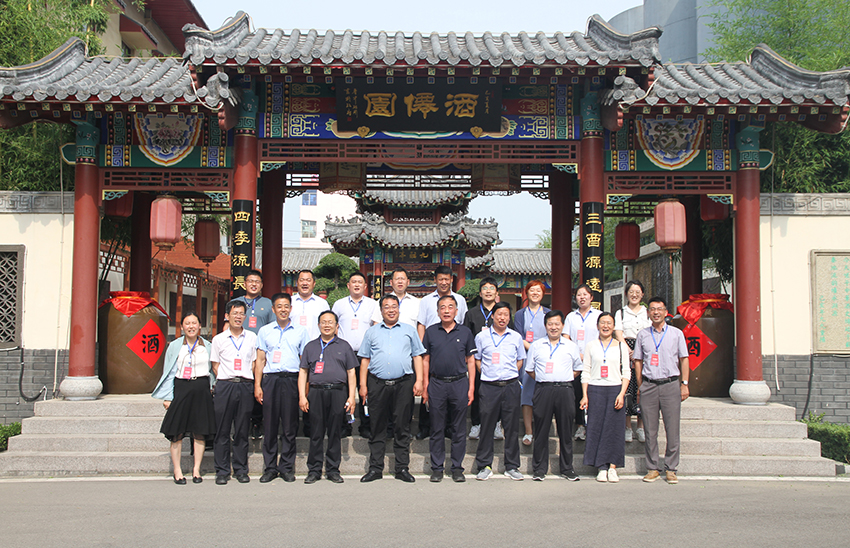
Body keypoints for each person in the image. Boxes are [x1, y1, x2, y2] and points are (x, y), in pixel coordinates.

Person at [358, 294, 426, 483]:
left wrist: (419, 380)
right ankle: (375, 468)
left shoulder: (409, 330)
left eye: (394, 306)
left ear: (399, 309)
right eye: (386, 306)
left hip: (403, 383)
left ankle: (402, 468)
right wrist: (363, 385)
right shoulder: (371, 332)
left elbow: (417, 356)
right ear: (381, 311)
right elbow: (365, 359)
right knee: (377, 426)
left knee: (402, 426)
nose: (390, 310)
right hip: (377, 383)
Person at [152, 312, 215, 484]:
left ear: (199, 326)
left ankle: (196, 470)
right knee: (176, 432)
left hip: (201, 389)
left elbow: (213, 370)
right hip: (181, 388)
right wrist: (168, 396)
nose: (191, 326)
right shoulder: (174, 346)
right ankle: (177, 470)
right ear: (182, 327)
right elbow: (169, 372)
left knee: (200, 432)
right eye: (187, 323)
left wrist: (213, 389)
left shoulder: (208, 346)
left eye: (194, 323)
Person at [633, 297, 690, 484]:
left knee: (672, 428)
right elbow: (638, 361)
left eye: (659, 309)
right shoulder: (643, 335)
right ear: (648, 313)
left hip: (670, 385)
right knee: (650, 430)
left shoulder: (676, 334)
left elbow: (684, 359)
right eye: (652, 309)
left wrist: (684, 383)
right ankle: (652, 468)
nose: (656, 312)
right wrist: (641, 385)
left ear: (666, 312)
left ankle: (671, 468)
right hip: (649, 385)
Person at [298, 310, 358, 484]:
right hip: (316, 392)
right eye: (323, 322)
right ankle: (314, 470)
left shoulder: (344, 346)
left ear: (337, 326)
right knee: (316, 432)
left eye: (330, 322)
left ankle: (333, 469)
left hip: (338, 392)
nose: (327, 325)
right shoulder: (310, 346)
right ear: (318, 325)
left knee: (335, 432)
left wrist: (351, 397)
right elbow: (303, 372)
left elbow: (351, 372)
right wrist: (302, 396)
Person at [422, 295, 476, 483]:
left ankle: (457, 468)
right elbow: (426, 360)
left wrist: (471, 387)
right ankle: (437, 468)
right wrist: (425, 385)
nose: (446, 311)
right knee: (436, 428)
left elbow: (471, 361)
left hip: (459, 383)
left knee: (458, 429)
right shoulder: (431, 332)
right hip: (437, 384)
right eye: (442, 307)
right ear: (437, 312)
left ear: (456, 311)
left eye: (450, 307)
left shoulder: (465, 332)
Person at [255, 293, 309, 484]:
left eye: (286, 306)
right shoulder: (264, 331)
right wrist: (258, 385)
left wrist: (304, 389)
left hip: (291, 380)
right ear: (273, 309)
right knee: (270, 426)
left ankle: (286, 467)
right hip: (271, 380)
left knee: (289, 426)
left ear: (291, 309)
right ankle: (270, 468)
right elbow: (260, 360)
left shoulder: (301, 331)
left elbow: (304, 363)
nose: (283, 310)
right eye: (279, 306)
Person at [525, 310, 582, 482]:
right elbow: (530, 370)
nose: (554, 327)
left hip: (565, 390)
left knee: (566, 431)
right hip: (543, 390)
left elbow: (578, 368)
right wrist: (545, 379)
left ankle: (567, 468)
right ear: (545, 326)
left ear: (562, 326)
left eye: (557, 324)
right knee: (541, 430)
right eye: (550, 324)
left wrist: (564, 377)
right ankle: (539, 469)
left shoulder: (571, 346)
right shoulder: (536, 345)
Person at [473, 301, 526, 481]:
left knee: (511, 428)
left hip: (511, 386)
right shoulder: (482, 336)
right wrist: (487, 373)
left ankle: (512, 466)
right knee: (487, 426)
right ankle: (484, 465)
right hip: (489, 387)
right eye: (499, 314)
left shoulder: (516, 337)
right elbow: (477, 359)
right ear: (493, 316)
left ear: (509, 317)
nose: (502, 318)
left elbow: (520, 360)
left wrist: (509, 375)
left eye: (506, 315)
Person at [416, 265, 468, 440]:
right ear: (435, 280)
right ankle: (425, 427)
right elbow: (421, 324)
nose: (444, 282)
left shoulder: (460, 300)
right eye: (440, 279)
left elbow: (463, 324)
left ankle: (449, 428)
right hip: (432, 346)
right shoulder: (426, 300)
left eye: (447, 279)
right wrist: (423, 349)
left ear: (452, 280)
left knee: (451, 392)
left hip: (453, 347)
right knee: (429, 387)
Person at [210, 300, 259, 485]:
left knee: (241, 429)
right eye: (235, 313)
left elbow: (254, 363)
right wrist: (227, 378)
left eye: (241, 314)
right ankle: (222, 471)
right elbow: (215, 365)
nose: (238, 317)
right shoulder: (219, 339)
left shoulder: (252, 337)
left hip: (245, 385)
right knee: (222, 430)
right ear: (227, 316)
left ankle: (240, 469)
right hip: (225, 386)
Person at [580, 312, 631, 483]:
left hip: (615, 389)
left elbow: (626, 372)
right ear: (597, 326)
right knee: (596, 428)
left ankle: (613, 467)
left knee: (614, 429)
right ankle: (601, 466)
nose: (606, 326)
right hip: (595, 389)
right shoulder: (591, 345)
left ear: (613, 326)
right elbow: (586, 371)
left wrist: (622, 394)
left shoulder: (621, 346)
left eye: (609, 323)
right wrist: (585, 395)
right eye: (603, 323)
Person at [463, 276, 514, 441]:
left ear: (497, 293)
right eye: (485, 288)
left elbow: (512, 335)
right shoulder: (471, 313)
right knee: (478, 392)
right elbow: (466, 337)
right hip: (477, 361)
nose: (488, 291)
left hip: (499, 362)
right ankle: (476, 424)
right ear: (480, 293)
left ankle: (497, 424)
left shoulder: (502, 313)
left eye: (492, 288)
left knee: (499, 395)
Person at [332, 271, 377, 438]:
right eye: (354, 282)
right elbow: (333, 327)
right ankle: (344, 425)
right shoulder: (339, 304)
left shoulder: (373, 304)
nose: (357, 285)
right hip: (344, 354)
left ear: (365, 286)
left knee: (366, 391)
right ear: (348, 285)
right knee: (343, 390)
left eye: (360, 282)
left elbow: (376, 327)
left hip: (366, 355)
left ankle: (366, 426)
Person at [235, 270, 275, 442]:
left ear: (262, 285)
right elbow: (226, 325)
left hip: (260, 351)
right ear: (244, 283)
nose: (253, 284)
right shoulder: (235, 302)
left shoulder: (267, 303)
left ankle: (257, 422)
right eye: (250, 281)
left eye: (257, 282)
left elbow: (272, 328)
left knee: (258, 385)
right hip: (239, 349)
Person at [290, 269, 330, 437]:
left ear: (314, 283)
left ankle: (310, 426)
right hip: (292, 352)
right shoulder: (290, 302)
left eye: (308, 280)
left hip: (315, 351)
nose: (304, 283)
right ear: (297, 283)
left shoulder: (322, 304)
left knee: (312, 388)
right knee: (293, 388)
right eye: (301, 280)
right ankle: (292, 426)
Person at [614, 280, 652, 443]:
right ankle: (628, 427)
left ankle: (641, 427)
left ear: (642, 294)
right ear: (626, 294)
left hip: (645, 350)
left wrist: (640, 352)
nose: (634, 295)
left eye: (637, 292)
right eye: (631, 292)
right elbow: (618, 333)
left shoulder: (647, 312)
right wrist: (628, 350)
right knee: (628, 388)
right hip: (626, 350)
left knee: (643, 387)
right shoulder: (621, 313)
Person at [514, 280, 550, 446]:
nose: (535, 293)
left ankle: (542, 430)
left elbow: (552, 334)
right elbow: (519, 336)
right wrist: (534, 349)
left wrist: (540, 351)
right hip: (527, 356)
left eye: (538, 290)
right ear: (526, 293)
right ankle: (528, 431)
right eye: (532, 290)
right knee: (527, 395)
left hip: (546, 357)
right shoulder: (520, 314)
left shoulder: (548, 313)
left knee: (544, 394)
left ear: (543, 294)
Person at [564, 284, 601, 441]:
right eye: (579, 295)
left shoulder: (599, 315)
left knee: (595, 393)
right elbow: (566, 337)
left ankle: (593, 425)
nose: (582, 297)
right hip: (577, 362)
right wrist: (576, 354)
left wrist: (591, 354)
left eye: (585, 294)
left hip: (595, 361)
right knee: (578, 393)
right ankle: (580, 425)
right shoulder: (571, 317)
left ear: (591, 297)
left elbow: (604, 336)